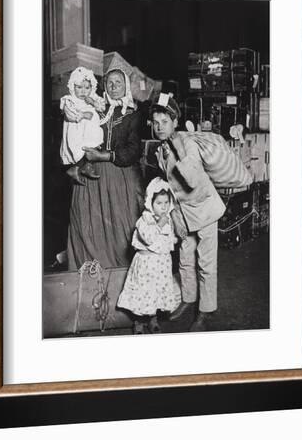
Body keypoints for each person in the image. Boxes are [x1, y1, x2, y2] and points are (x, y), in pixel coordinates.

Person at [150, 93, 226, 331]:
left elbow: (191, 179)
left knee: (206, 263)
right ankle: (188, 299)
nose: (159, 127)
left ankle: (205, 311)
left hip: (204, 209)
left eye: (165, 122)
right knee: (184, 260)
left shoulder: (186, 143)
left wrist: (180, 149)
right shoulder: (160, 148)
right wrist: (174, 216)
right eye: (155, 122)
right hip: (183, 212)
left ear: (175, 122)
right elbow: (170, 187)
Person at [66, 67, 144, 270]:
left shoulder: (133, 115)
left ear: (126, 86)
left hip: (118, 175)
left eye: (118, 82)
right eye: (109, 82)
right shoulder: (94, 109)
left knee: (120, 228)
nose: (113, 86)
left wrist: (104, 155)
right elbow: (75, 133)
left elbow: (134, 151)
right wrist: (80, 163)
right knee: (87, 223)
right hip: (91, 174)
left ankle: (121, 275)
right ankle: (89, 274)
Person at [117, 177, 178, 334]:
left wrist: (173, 238)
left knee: (156, 291)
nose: (163, 207)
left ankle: (153, 318)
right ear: (150, 203)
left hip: (161, 264)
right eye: (159, 203)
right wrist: (160, 224)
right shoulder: (145, 219)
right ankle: (138, 321)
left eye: (166, 203)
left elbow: (169, 239)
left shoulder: (168, 219)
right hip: (146, 264)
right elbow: (148, 237)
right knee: (142, 292)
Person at [60, 66, 106, 184]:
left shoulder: (93, 97)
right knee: (79, 148)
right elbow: (69, 115)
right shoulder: (70, 100)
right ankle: (75, 167)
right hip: (77, 130)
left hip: (90, 131)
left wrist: (93, 102)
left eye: (87, 87)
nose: (83, 91)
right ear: (72, 87)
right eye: (79, 87)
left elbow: (102, 108)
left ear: (92, 87)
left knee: (93, 145)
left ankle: (86, 166)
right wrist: (84, 115)